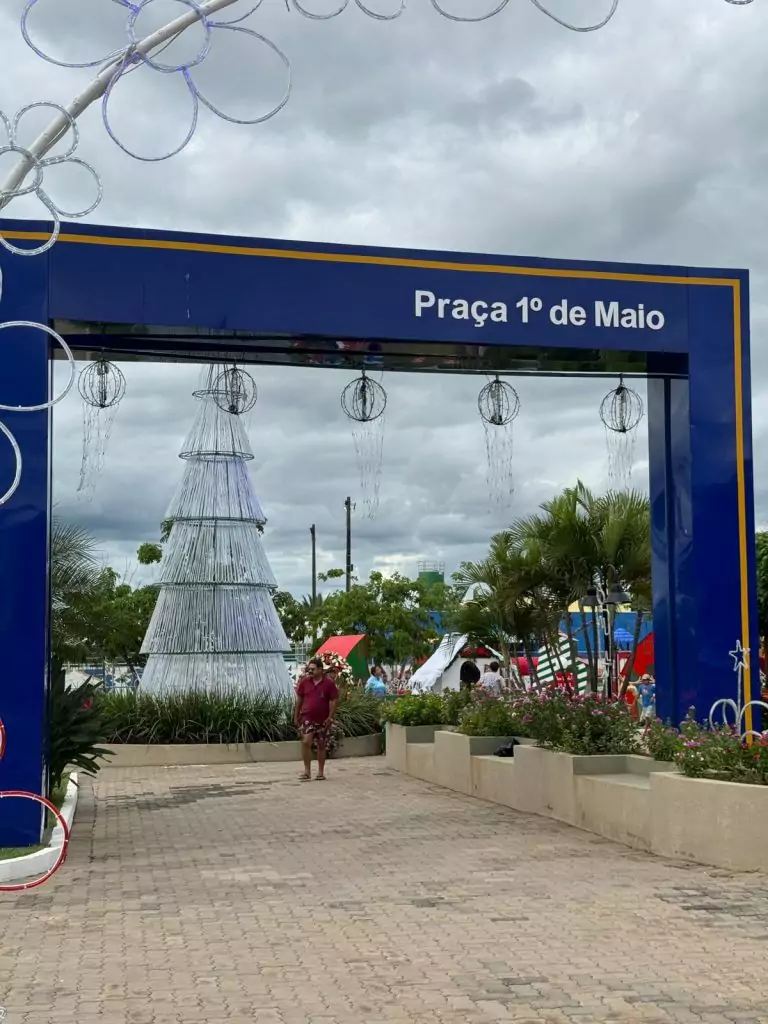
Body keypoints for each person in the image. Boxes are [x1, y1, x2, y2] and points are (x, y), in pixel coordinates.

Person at [294, 657, 339, 781]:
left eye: (313, 669)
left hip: (323, 718)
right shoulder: (305, 682)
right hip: (307, 716)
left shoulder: (328, 683)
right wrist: (296, 715)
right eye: (309, 669)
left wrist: (330, 717)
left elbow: (333, 700)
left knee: (321, 744)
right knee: (305, 741)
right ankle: (307, 771)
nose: (310, 671)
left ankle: (320, 772)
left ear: (320, 669)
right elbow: (299, 700)